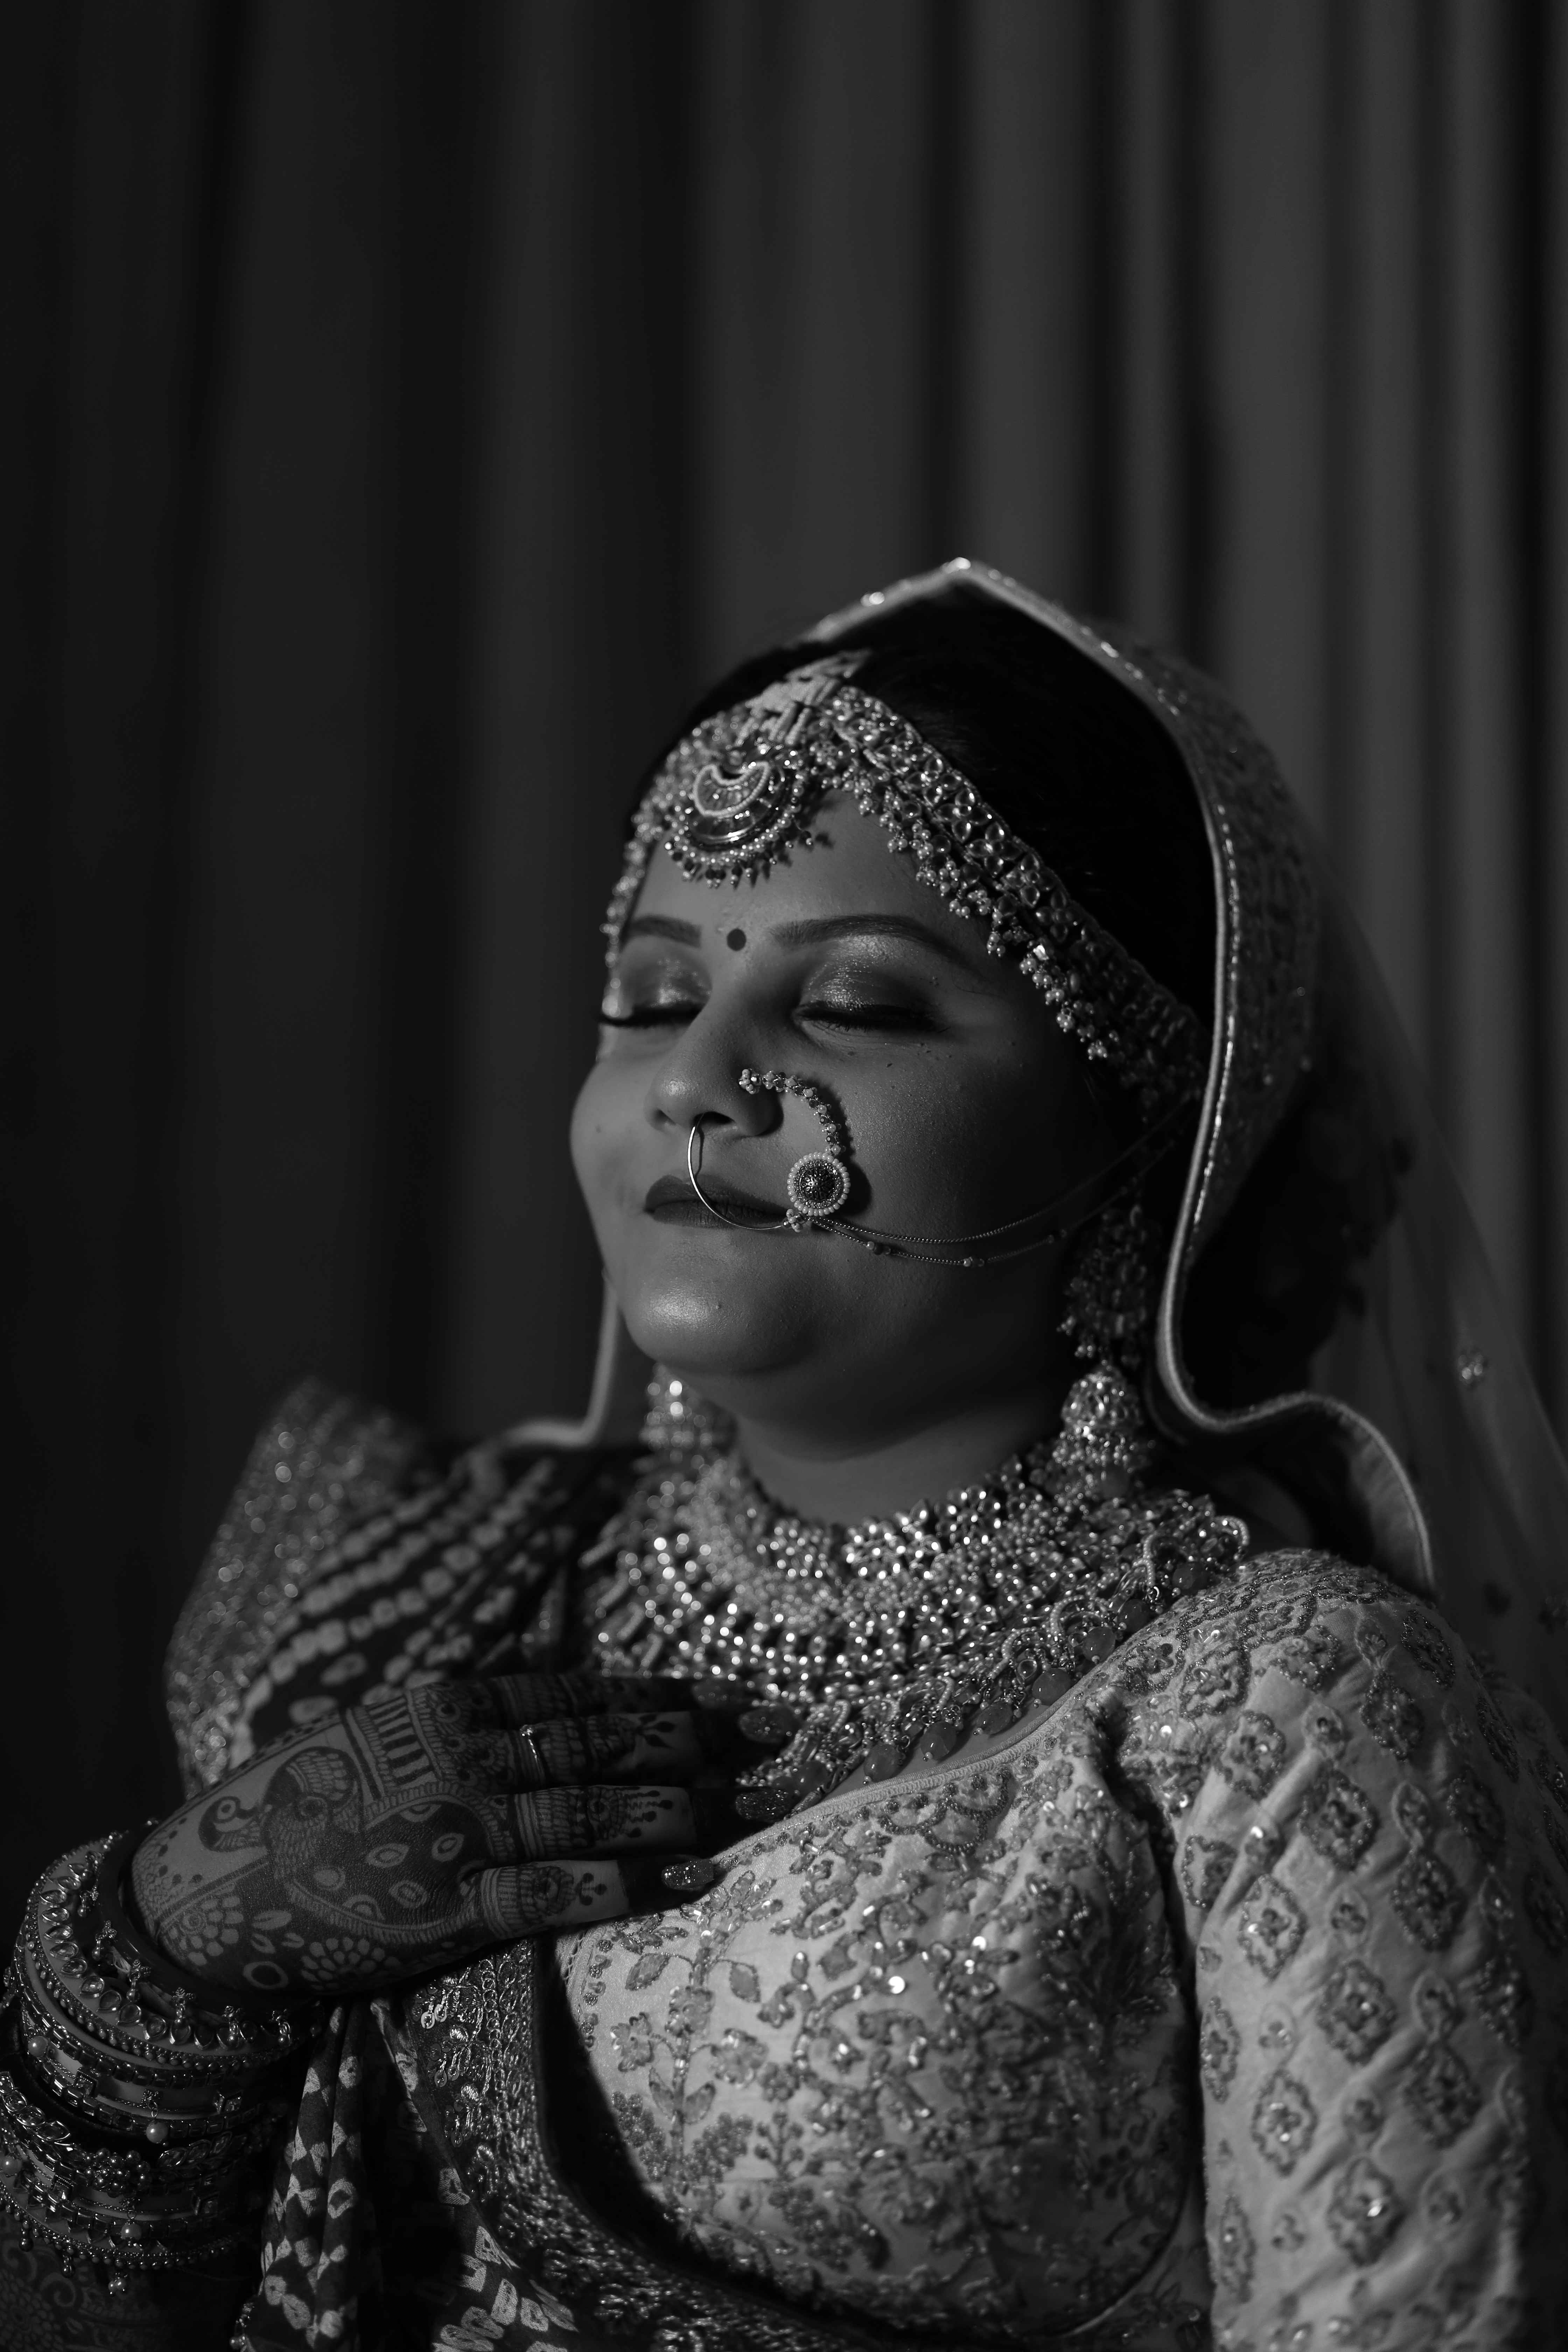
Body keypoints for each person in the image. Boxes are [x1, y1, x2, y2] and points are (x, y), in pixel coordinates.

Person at [4, 562, 1567, 2352]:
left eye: (859, 1005)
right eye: (650, 997)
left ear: (1154, 1132)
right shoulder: (417, 1583)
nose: (697, 1080)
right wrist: (157, 1955)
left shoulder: (1285, 1707)